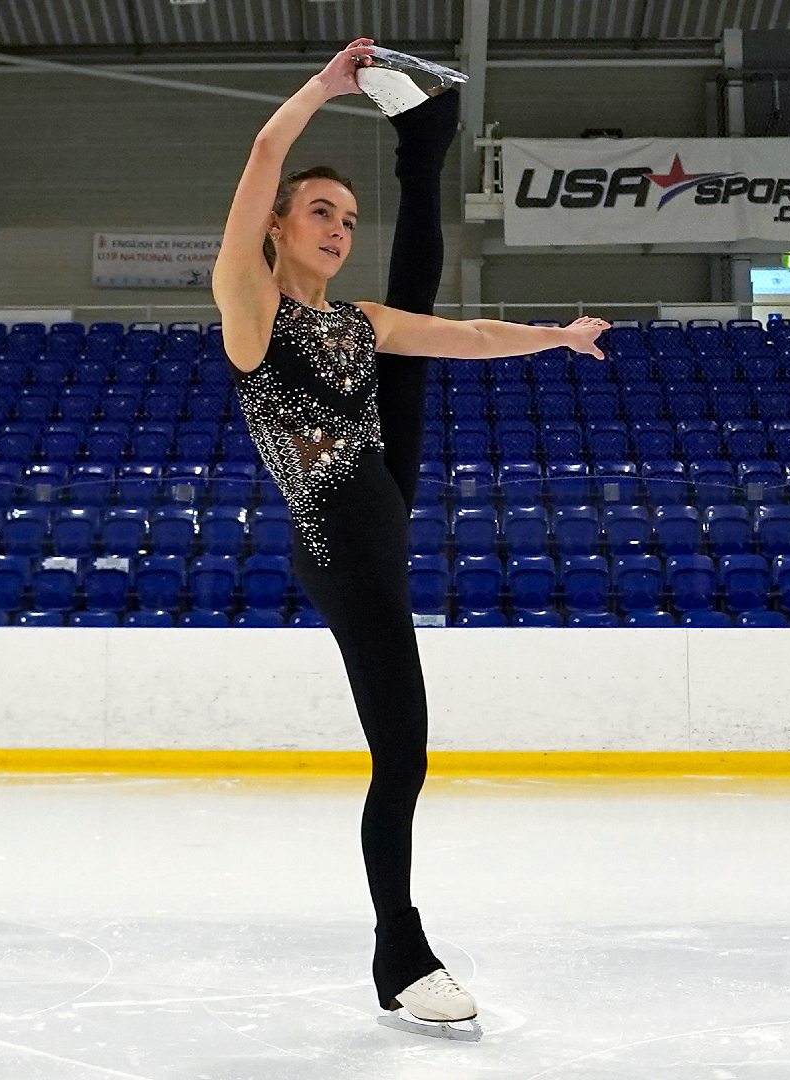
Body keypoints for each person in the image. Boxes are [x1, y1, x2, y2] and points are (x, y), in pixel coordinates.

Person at [209, 37, 608, 1040]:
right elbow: (263, 153)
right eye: (320, 213)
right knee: (403, 757)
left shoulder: (354, 320)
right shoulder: (250, 310)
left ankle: (425, 143)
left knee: (423, 327)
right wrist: (325, 87)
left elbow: (467, 338)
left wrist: (554, 337)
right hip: (341, 541)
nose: (338, 229)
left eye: (348, 216)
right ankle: (401, 953)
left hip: (384, 497)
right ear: (277, 226)